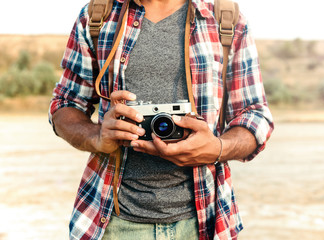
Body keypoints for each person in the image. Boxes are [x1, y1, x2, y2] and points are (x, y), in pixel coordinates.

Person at [49, 0, 274, 239]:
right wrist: (96, 136)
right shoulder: (97, 16)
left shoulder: (226, 19)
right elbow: (65, 104)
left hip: (206, 223)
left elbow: (254, 114)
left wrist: (216, 148)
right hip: (109, 222)